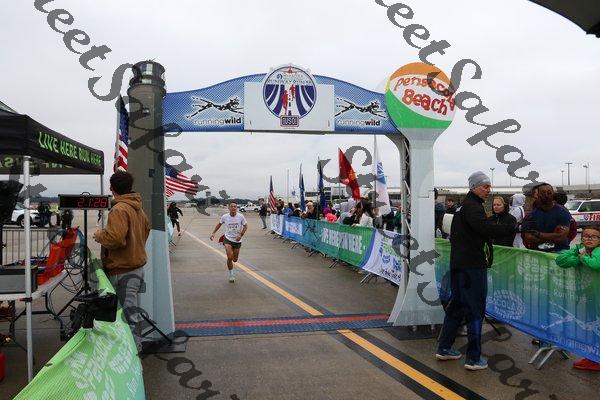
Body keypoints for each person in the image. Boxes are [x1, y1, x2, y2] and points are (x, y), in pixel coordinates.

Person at [436, 171, 518, 371]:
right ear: (474, 187)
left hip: (459, 264)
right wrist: (513, 228)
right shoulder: (473, 207)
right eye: (485, 186)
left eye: (489, 186)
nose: (488, 190)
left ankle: (444, 348)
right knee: (475, 309)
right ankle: (473, 358)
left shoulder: (463, 207)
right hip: (472, 266)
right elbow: (485, 229)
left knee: (457, 306)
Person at [93, 171, 150, 352]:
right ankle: (134, 348)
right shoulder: (138, 208)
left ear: (112, 188)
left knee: (127, 314)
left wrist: (99, 235)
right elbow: (146, 231)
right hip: (136, 267)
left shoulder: (119, 209)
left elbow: (115, 239)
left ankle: (133, 352)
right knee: (132, 311)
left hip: (123, 269)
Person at [555, 225, 600, 371]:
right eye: (586, 236)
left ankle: (596, 359)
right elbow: (560, 260)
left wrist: (581, 257)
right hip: (589, 297)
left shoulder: (597, 251)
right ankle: (594, 358)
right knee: (594, 327)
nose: (589, 239)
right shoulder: (579, 249)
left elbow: (595, 264)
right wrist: (578, 258)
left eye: (594, 237)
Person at [522, 183, 571, 252]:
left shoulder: (562, 212)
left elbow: (561, 237)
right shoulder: (531, 215)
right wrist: (553, 236)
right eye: (543, 193)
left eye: (549, 193)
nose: (546, 195)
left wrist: (538, 234)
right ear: (538, 195)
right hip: (538, 253)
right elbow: (529, 238)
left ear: (553, 194)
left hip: (559, 252)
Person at [210, 202, 248, 282]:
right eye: (231, 206)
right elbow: (219, 224)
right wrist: (213, 233)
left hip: (237, 240)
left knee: (235, 259)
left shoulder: (240, 216)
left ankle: (233, 260)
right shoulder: (225, 217)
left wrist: (241, 235)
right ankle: (231, 275)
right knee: (229, 257)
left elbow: (245, 226)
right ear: (229, 208)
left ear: (236, 208)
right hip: (228, 239)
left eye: (235, 206)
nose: (233, 208)